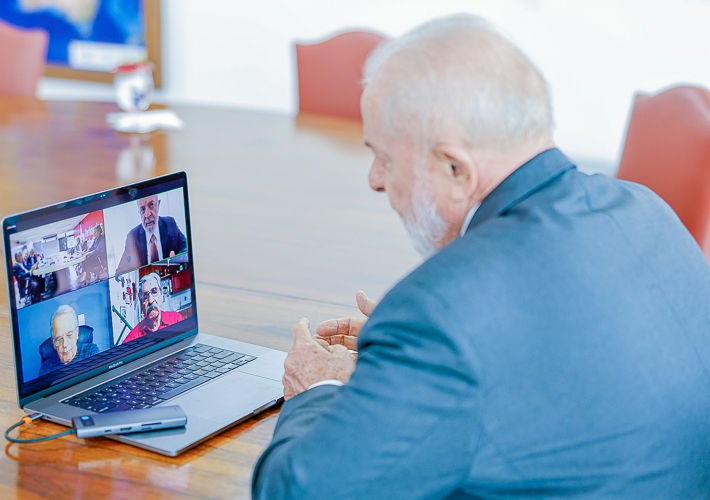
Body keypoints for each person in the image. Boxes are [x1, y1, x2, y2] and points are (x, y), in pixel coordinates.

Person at [252, 14, 710, 499]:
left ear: (455, 169)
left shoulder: (436, 315)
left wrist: (320, 389)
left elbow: (296, 491)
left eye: (384, 157)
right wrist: (402, 374)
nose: (375, 179)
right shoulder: (647, 210)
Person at [115, 195, 187, 274]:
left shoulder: (170, 223)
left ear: (158, 205)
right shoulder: (132, 237)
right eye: (142, 209)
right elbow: (120, 272)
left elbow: (186, 248)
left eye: (151, 205)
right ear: (139, 212)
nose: (147, 214)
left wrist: (174, 260)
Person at [38, 305, 99, 376]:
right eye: (59, 338)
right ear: (54, 342)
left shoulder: (91, 351)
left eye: (69, 335)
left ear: (77, 333)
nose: (65, 344)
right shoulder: (46, 369)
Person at [122, 272, 184, 343]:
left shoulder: (177, 319)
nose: (151, 300)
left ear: (161, 295)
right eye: (145, 296)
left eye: (154, 292)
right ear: (141, 302)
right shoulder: (134, 336)